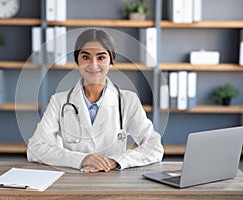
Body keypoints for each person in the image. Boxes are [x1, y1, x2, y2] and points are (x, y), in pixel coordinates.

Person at [27, 28, 164, 173]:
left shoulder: (128, 100)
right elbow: (35, 149)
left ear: (111, 61)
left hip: (113, 180)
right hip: (73, 180)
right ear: (77, 61)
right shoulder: (59, 101)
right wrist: (81, 159)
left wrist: (115, 161)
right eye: (86, 57)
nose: (93, 64)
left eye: (101, 57)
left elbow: (154, 147)